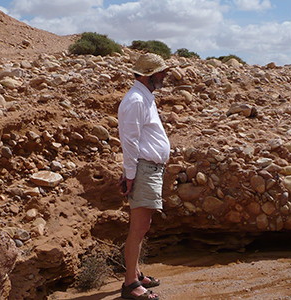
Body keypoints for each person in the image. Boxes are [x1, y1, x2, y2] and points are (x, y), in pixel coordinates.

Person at [118, 53, 170, 300]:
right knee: (139, 226)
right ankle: (130, 285)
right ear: (149, 75)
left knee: (142, 224)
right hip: (143, 169)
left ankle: (136, 274)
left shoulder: (144, 97)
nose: (165, 75)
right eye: (161, 72)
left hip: (148, 168)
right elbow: (129, 141)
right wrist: (130, 175)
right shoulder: (136, 100)